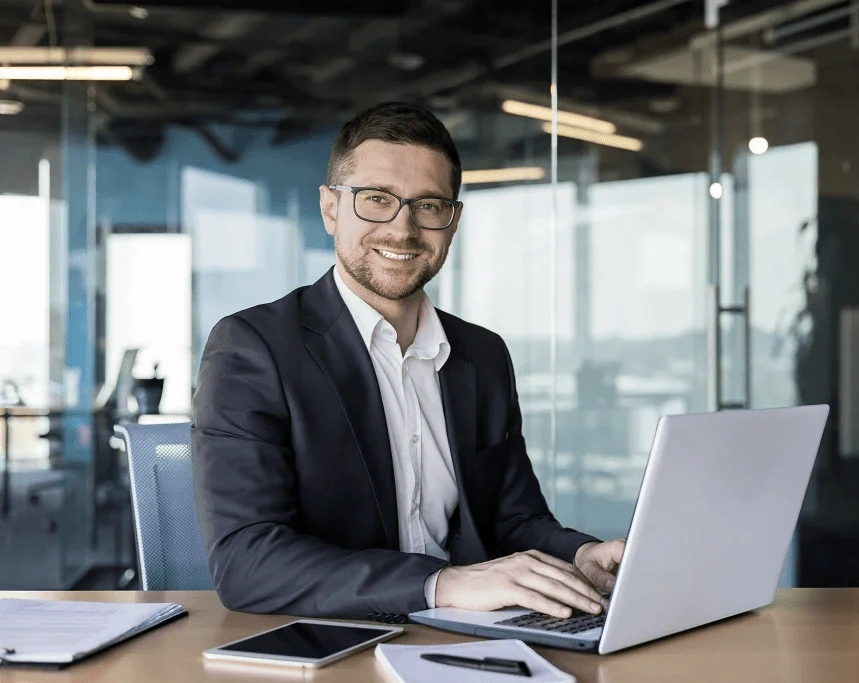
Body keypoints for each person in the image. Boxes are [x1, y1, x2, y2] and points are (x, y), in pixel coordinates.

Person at [192, 102, 625, 622]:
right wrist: (442, 584)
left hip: (472, 639)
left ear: (453, 220)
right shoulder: (253, 348)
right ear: (331, 208)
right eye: (377, 200)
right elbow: (248, 562)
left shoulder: (482, 355)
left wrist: (580, 555)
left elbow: (515, 517)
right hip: (331, 641)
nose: (402, 230)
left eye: (428, 205)